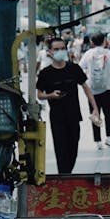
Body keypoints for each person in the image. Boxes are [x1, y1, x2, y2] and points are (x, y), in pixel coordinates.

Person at [36, 36, 100, 176]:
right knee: (61, 150)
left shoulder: (74, 68)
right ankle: (64, 178)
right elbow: (39, 95)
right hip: (57, 117)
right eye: (56, 49)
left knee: (73, 149)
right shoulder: (45, 73)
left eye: (62, 48)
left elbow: (86, 88)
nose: (60, 51)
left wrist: (95, 108)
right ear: (50, 52)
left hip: (73, 115)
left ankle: (66, 175)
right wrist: (51, 95)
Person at [80, 32, 110, 150]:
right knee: (109, 113)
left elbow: (80, 68)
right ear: (104, 41)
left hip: (92, 90)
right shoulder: (109, 54)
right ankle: (108, 137)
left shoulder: (88, 54)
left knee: (95, 113)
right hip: (107, 88)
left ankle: (97, 141)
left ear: (92, 42)